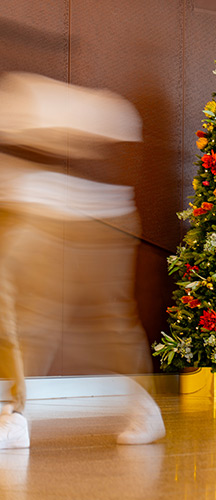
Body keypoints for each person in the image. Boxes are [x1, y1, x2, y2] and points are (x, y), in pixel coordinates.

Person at [0, 72, 165, 449]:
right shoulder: (18, 97)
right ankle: (16, 415)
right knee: (27, 319)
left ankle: (145, 407)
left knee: (107, 321)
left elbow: (121, 155)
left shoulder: (80, 106)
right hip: (34, 211)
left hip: (99, 217)